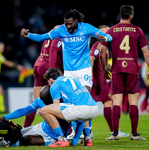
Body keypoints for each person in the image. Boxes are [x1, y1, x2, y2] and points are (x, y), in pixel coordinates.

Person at [21, 9, 112, 145]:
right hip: (68, 72)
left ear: (76, 21)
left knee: (83, 101)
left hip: (84, 70)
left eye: (70, 24)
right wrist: (28, 35)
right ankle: (79, 135)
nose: (67, 26)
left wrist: (104, 38)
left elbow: (109, 37)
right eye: (66, 24)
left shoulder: (86, 28)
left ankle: (87, 135)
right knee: (72, 105)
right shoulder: (61, 30)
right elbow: (41, 37)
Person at [100, 5, 149, 140]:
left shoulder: (111, 30)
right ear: (131, 15)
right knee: (133, 102)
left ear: (120, 15)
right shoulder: (137, 30)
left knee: (116, 102)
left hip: (117, 69)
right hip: (132, 70)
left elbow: (103, 51)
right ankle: (134, 134)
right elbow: (146, 53)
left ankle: (115, 134)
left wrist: (105, 68)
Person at [0, 85, 84, 146]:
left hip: (53, 137)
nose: (42, 102)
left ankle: (1, 144)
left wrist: (74, 141)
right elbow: (23, 111)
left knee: (26, 140)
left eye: (45, 100)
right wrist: (4, 117)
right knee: (17, 132)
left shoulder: (65, 104)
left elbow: (80, 122)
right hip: (40, 127)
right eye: (41, 99)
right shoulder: (40, 100)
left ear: (53, 98)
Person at [40, 68, 98, 147]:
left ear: (50, 80)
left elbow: (56, 106)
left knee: (45, 110)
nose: (49, 84)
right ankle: (87, 139)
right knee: (80, 116)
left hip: (81, 109)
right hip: (94, 108)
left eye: (49, 82)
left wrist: (46, 115)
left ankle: (61, 139)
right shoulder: (74, 80)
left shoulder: (55, 84)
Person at [90, 25, 130, 139]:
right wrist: (90, 76)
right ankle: (113, 132)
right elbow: (91, 58)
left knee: (90, 104)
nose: (109, 33)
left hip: (99, 79)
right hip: (97, 80)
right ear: (98, 34)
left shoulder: (104, 46)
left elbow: (103, 62)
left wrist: (112, 68)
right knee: (107, 103)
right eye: (106, 32)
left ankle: (112, 131)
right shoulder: (98, 45)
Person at [24, 26, 62, 128]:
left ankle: (25, 128)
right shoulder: (59, 35)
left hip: (38, 65)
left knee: (35, 101)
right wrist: (52, 73)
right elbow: (53, 53)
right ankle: (65, 130)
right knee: (60, 100)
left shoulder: (51, 32)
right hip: (47, 67)